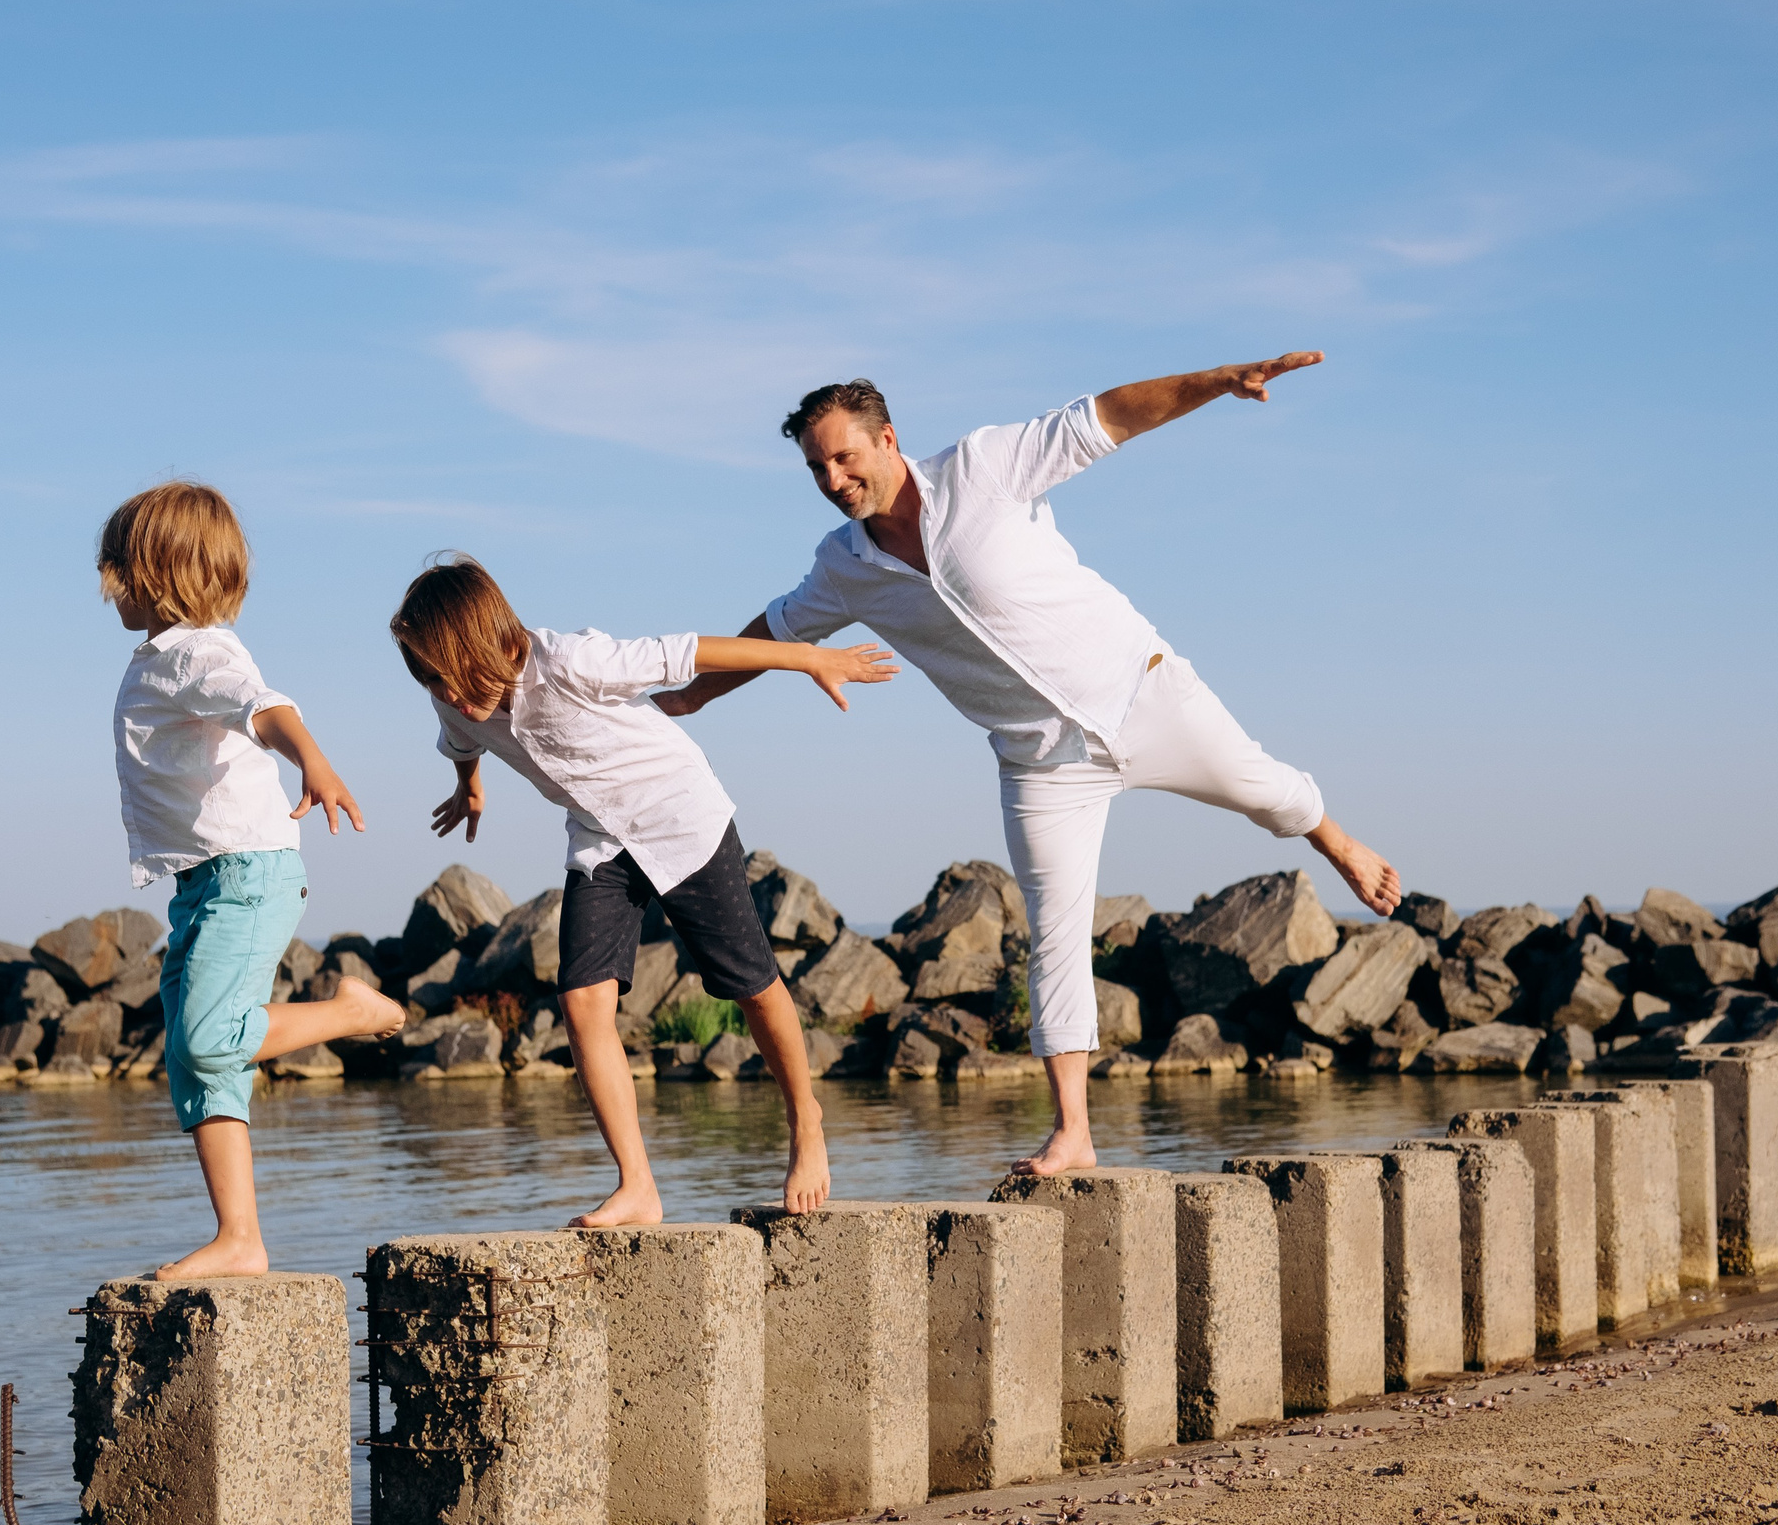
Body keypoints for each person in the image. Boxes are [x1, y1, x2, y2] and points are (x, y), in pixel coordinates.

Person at [656, 355, 1403, 1177]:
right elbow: (774, 631)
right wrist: (692, 698)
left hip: (1140, 692)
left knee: (1265, 788)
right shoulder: (845, 565)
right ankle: (1073, 1130)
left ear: (888, 439)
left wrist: (1219, 382)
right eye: (816, 467)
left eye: (844, 457)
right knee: (1053, 932)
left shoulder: (984, 466)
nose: (833, 478)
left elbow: (1111, 415)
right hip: (1042, 763)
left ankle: (1337, 840)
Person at [389, 553, 897, 1226]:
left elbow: (690, 650)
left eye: (454, 679)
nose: (451, 697)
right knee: (581, 999)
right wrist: (469, 788)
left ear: (491, 640)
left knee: (751, 983)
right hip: (600, 839)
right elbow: (461, 740)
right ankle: (638, 1185)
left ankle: (806, 1117)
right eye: (434, 684)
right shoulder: (454, 697)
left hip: (679, 813)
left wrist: (808, 658)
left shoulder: (573, 660)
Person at [100, 481, 406, 1278]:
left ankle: (348, 1010)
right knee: (196, 1059)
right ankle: (241, 1237)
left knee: (209, 1036)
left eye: (119, 565)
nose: (105, 580)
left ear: (158, 570)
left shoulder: (201, 651)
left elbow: (263, 707)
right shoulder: (163, 656)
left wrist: (314, 758)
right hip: (205, 883)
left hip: (245, 874)